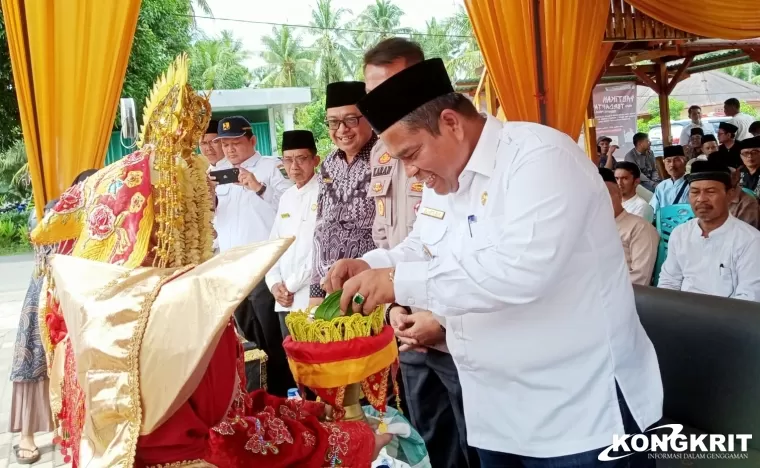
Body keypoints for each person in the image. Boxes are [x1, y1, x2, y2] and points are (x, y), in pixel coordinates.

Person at [30, 57, 390, 467]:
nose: (210, 224)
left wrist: (301, 412)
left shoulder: (86, 306)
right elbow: (229, 436)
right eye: (201, 208)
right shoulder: (185, 311)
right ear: (177, 218)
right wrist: (346, 442)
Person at [325, 58, 663, 466]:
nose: (410, 171)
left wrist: (396, 281)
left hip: (579, 409)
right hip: (496, 410)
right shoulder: (442, 177)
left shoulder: (539, 157)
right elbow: (424, 245)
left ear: (451, 122)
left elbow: (520, 271)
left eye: (411, 153)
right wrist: (370, 264)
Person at [363, 37, 478, 468]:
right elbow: (409, 240)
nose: (382, 103)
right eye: (372, 93)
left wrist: (441, 319)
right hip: (409, 316)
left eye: (390, 87)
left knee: (476, 443)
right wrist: (378, 279)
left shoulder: (463, 157)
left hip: (459, 329)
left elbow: (500, 270)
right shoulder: (385, 152)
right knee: (431, 437)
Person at [9, 169, 96, 465]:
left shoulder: (110, 215)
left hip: (83, 298)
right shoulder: (54, 215)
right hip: (47, 296)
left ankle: (81, 430)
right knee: (33, 362)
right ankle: (26, 435)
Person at [309, 81, 378, 305]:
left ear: (368, 117)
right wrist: (316, 292)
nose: (342, 130)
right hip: (329, 287)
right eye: (333, 122)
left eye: (350, 120)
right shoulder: (328, 163)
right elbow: (321, 228)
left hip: (370, 284)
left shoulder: (386, 158)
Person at [658, 160, 760, 300]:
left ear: (729, 195)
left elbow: (749, 297)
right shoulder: (680, 233)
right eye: (694, 192)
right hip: (682, 314)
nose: (701, 199)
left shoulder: (750, 240)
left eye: (710, 192)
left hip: (727, 317)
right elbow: (669, 282)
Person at [265, 130, 321, 338]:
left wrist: (291, 285)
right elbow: (274, 245)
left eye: (301, 159)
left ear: (315, 159)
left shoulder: (326, 193)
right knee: (292, 363)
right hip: (284, 301)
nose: (294, 166)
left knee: (316, 363)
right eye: (288, 160)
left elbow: (321, 249)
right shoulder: (286, 197)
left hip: (312, 298)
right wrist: (273, 284)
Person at [601, 168, 659, 286]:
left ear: (618, 193)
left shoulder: (640, 228)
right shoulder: (590, 230)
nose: (601, 201)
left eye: (606, 195)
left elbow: (640, 279)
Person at [650, 145, 689, 214]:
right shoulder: (661, 187)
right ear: (664, 163)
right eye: (668, 161)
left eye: (676, 160)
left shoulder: (692, 184)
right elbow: (652, 211)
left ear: (685, 161)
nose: (672, 165)